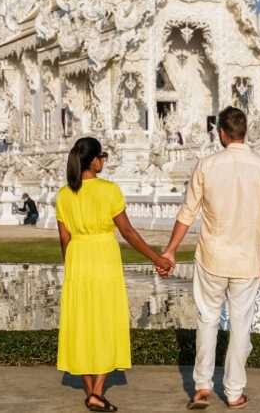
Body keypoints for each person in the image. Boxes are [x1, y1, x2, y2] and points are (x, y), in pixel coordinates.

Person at [161, 106, 260, 410]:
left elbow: (187, 213)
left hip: (212, 258)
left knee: (207, 320)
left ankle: (202, 386)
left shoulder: (207, 165)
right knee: (240, 326)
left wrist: (171, 249)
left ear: (222, 133)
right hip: (247, 260)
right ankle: (234, 392)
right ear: (244, 131)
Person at [57, 136, 174, 412]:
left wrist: (72, 264)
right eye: (102, 156)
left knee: (81, 323)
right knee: (106, 320)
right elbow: (128, 232)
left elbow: (64, 238)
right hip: (103, 258)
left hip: (77, 259)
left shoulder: (64, 194)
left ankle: (91, 392)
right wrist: (157, 258)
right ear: (94, 161)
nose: (104, 161)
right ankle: (97, 392)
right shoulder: (109, 190)